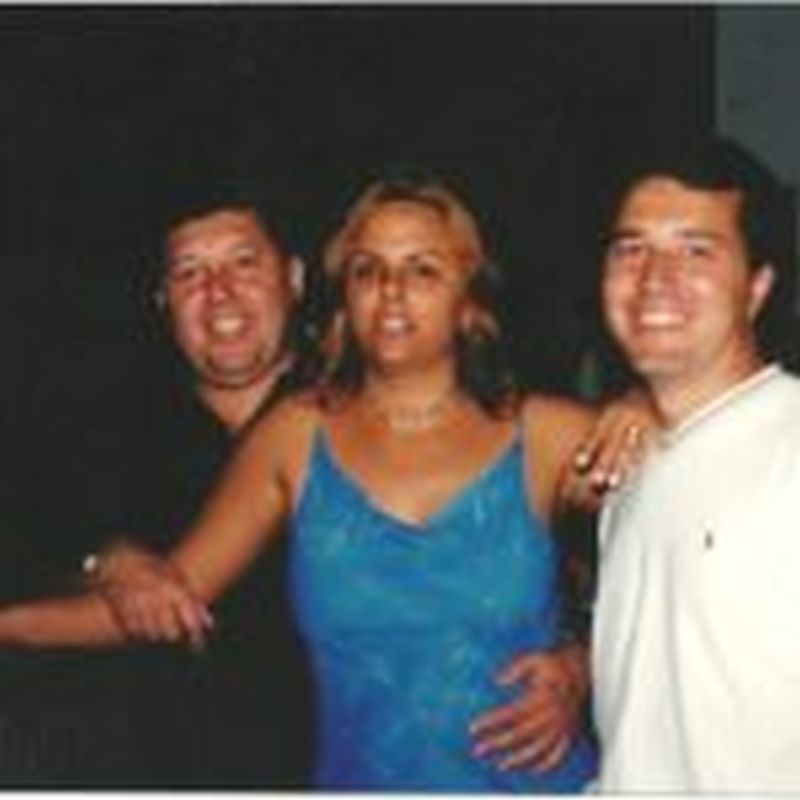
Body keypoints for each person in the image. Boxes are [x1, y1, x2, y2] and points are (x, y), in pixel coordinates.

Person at [0, 176, 652, 791]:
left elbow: (688, 553)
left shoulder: (548, 435)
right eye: (368, 269)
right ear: (344, 295)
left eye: (422, 269)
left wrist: (584, 666)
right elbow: (173, 592)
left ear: (469, 299)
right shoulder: (293, 434)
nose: (390, 290)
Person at [1, 199, 313, 787]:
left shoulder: (361, 411)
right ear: (163, 299)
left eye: (244, 263)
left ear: (294, 278)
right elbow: (32, 532)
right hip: (161, 764)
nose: (219, 292)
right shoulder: (115, 425)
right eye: (190, 272)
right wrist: (104, 561)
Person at [592, 135, 800, 792]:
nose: (655, 279)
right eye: (632, 249)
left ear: (757, 287)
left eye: (696, 251)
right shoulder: (629, 461)